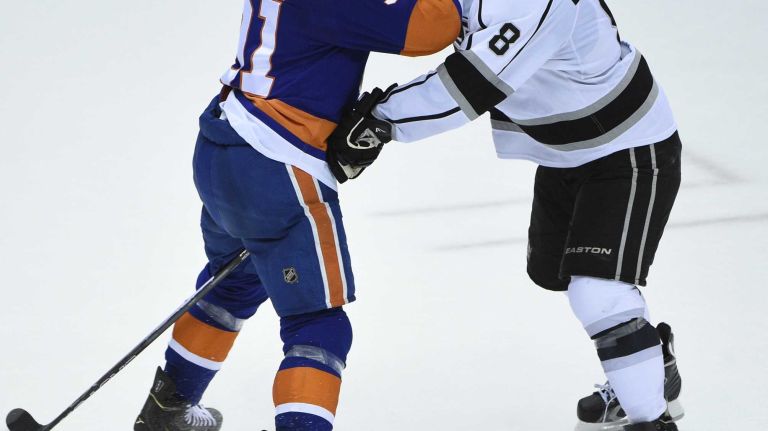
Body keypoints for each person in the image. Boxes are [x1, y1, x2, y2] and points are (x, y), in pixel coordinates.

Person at [327, 0, 685, 430]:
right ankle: (651, 365)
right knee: (554, 273)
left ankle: (651, 416)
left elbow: (469, 86)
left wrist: (380, 121)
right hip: (562, 153)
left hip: (629, 148)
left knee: (598, 292)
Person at [133, 1, 462, 430]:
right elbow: (430, 27)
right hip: (276, 164)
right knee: (318, 321)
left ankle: (167, 410)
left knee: (232, 284)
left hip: (221, 144)